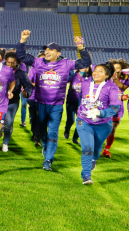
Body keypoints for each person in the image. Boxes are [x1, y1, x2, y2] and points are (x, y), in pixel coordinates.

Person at [16, 30, 92, 171]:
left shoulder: (66, 63)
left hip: (56, 105)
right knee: (42, 133)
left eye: (51, 49)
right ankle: (46, 146)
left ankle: (48, 160)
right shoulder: (38, 62)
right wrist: (22, 40)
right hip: (40, 103)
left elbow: (86, 62)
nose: (47, 51)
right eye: (47, 49)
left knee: (52, 133)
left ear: (58, 53)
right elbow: (21, 55)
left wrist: (80, 47)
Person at [76, 63, 122, 185]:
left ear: (107, 75)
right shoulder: (85, 83)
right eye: (95, 70)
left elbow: (115, 108)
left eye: (100, 71)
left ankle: (95, 158)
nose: (96, 73)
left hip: (103, 124)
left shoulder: (113, 88)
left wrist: (99, 112)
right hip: (84, 121)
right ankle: (86, 175)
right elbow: (80, 98)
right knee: (87, 147)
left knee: (96, 149)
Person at [1, 50, 33, 152]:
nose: (10, 65)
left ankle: (5, 143)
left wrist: (27, 92)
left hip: (13, 101)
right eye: (8, 62)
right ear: (5, 61)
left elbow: (28, 86)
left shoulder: (21, 73)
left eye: (13, 63)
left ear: (17, 63)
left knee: (9, 123)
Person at [102, 59, 129, 158]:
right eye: (113, 69)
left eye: (118, 69)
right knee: (101, 127)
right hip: (104, 106)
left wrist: (123, 97)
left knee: (112, 129)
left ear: (122, 70)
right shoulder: (105, 78)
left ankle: (106, 149)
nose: (116, 71)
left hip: (117, 108)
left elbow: (122, 90)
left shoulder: (124, 80)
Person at [64, 66, 93, 144]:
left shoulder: (90, 78)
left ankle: (75, 138)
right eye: (83, 67)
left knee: (81, 121)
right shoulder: (73, 76)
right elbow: (64, 81)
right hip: (71, 101)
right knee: (71, 119)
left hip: (83, 103)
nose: (85, 69)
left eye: (87, 67)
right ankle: (67, 130)